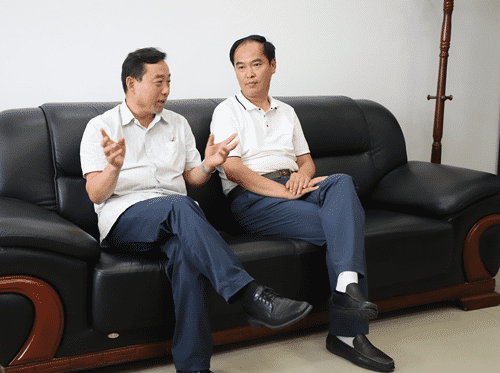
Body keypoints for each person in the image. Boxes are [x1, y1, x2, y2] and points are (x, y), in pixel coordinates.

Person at [80, 47, 312, 373]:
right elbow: (96, 192)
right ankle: (250, 295)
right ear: (132, 83)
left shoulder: (178, 123)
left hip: (175, 217)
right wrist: (114, 168)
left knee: (186, 255)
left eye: (169, 81)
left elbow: (192, 178)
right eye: (158, 82)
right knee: (180, 205)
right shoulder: (101, 127)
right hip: (126, 219)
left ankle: (194, 367)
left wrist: (209, 164)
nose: (166, 90)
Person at [210, 35, 395, 372]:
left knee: (342, 181)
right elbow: (234, 170)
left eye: (256, 64)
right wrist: (282, 191)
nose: (248, 74)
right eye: (240, 66)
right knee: (345, 225)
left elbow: (306, 161)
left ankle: (346, 286)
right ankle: (348, 334)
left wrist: (300, 177)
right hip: (253, 197)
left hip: (293, 184)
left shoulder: (287, 112)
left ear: (272, 66)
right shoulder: (226, 112)